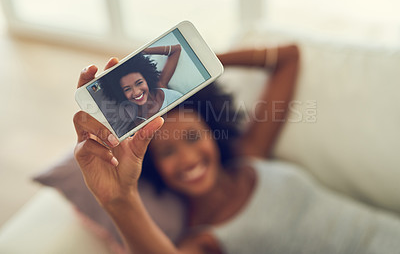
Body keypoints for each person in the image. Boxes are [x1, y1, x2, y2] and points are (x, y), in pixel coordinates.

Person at [73, 45, 400, 254]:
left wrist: (200, 65)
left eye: (192, 138)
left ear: (213, 134)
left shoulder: (251, 154)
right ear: (155, 166)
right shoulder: (203, 238)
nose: (187, 159)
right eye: (167, 152)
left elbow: (289, 57)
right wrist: (118, 199)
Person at [100, 44, 183, 136]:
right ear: (121, 93)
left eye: (139, 83)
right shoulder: (136, 126)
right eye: (127, 89)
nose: (136, 92)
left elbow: (176, 49)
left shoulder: (160, 84)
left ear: (147, 80)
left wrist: (143, 52)